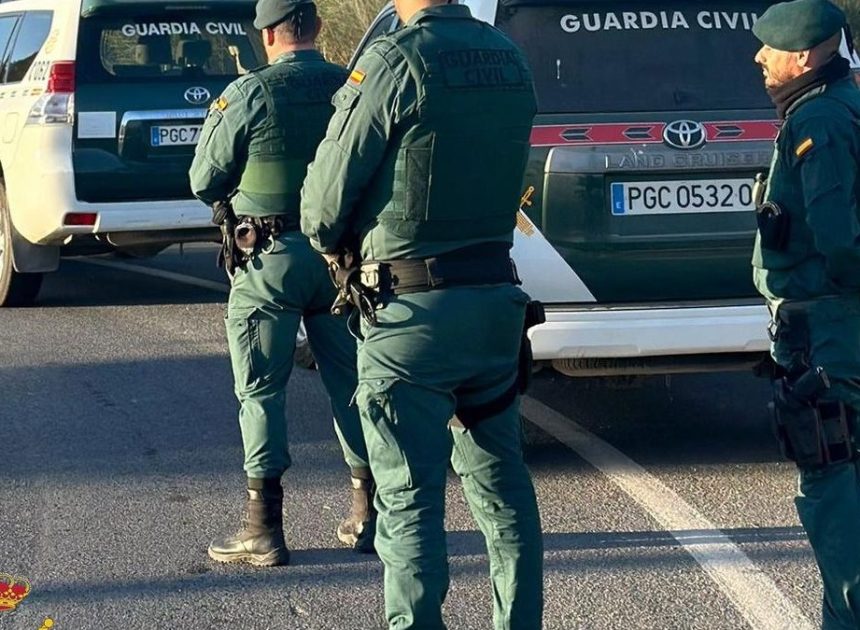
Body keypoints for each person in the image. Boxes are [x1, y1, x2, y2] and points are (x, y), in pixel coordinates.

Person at [300, 0, 544, 627]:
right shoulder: (509, 56)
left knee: (409, 503)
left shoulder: (394, 60)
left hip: (410, 317)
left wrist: (337, 244)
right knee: (504, 492)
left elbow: (322, 207)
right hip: (495, 305)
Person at [188, 0, 375, 567]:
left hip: (267, 264)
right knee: (352, 383)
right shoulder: (352, 86)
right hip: (339, 262)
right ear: (318, 27)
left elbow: (204, 179)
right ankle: (369, 513)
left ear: (267, 36)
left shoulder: (251, 93)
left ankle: (262, 527)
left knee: (260, 391)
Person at [751, 1, 860, 626]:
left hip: (827, 327)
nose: (759, 57)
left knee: (832, 482)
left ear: (802, 55)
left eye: (769, 48)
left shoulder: (818, 117)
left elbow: (836, 236)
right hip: (830, 320)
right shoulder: (838, 103)